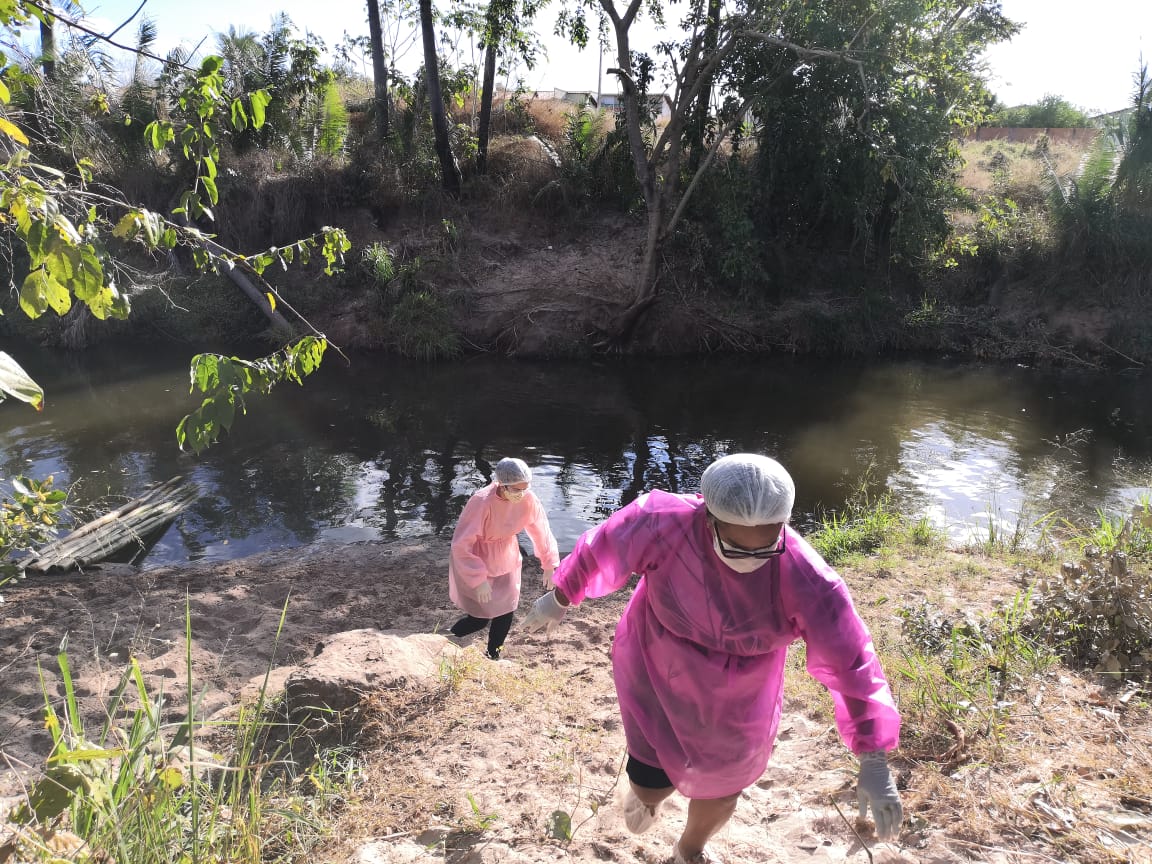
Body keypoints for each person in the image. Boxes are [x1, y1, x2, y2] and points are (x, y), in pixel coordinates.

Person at [522, 453, 903, 863]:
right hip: (656, 659)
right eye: (735, 546)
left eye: (765, 548)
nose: (747, 560)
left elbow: (852, 661)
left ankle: (689, 849)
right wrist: (561, 595)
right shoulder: (662, 522)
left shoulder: (808, 580)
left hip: (741, 694)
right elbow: (605, 548)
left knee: (724, 784)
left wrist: (873, 755)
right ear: (709, 517)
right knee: (651, 777)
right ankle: (647, 794)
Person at [447, 457, 560, 660]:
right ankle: (443, 641)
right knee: (479, 618)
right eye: (516, 490)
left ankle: (493, 655)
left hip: (507, 557)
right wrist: (478, 578)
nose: (521, 494)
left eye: (524, 488)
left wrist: (549, 563)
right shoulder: (481, 502)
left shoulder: (528, 499)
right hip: (479, 558)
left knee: (506, 610)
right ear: (502, 483)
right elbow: (461, 544)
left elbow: (541, 529)